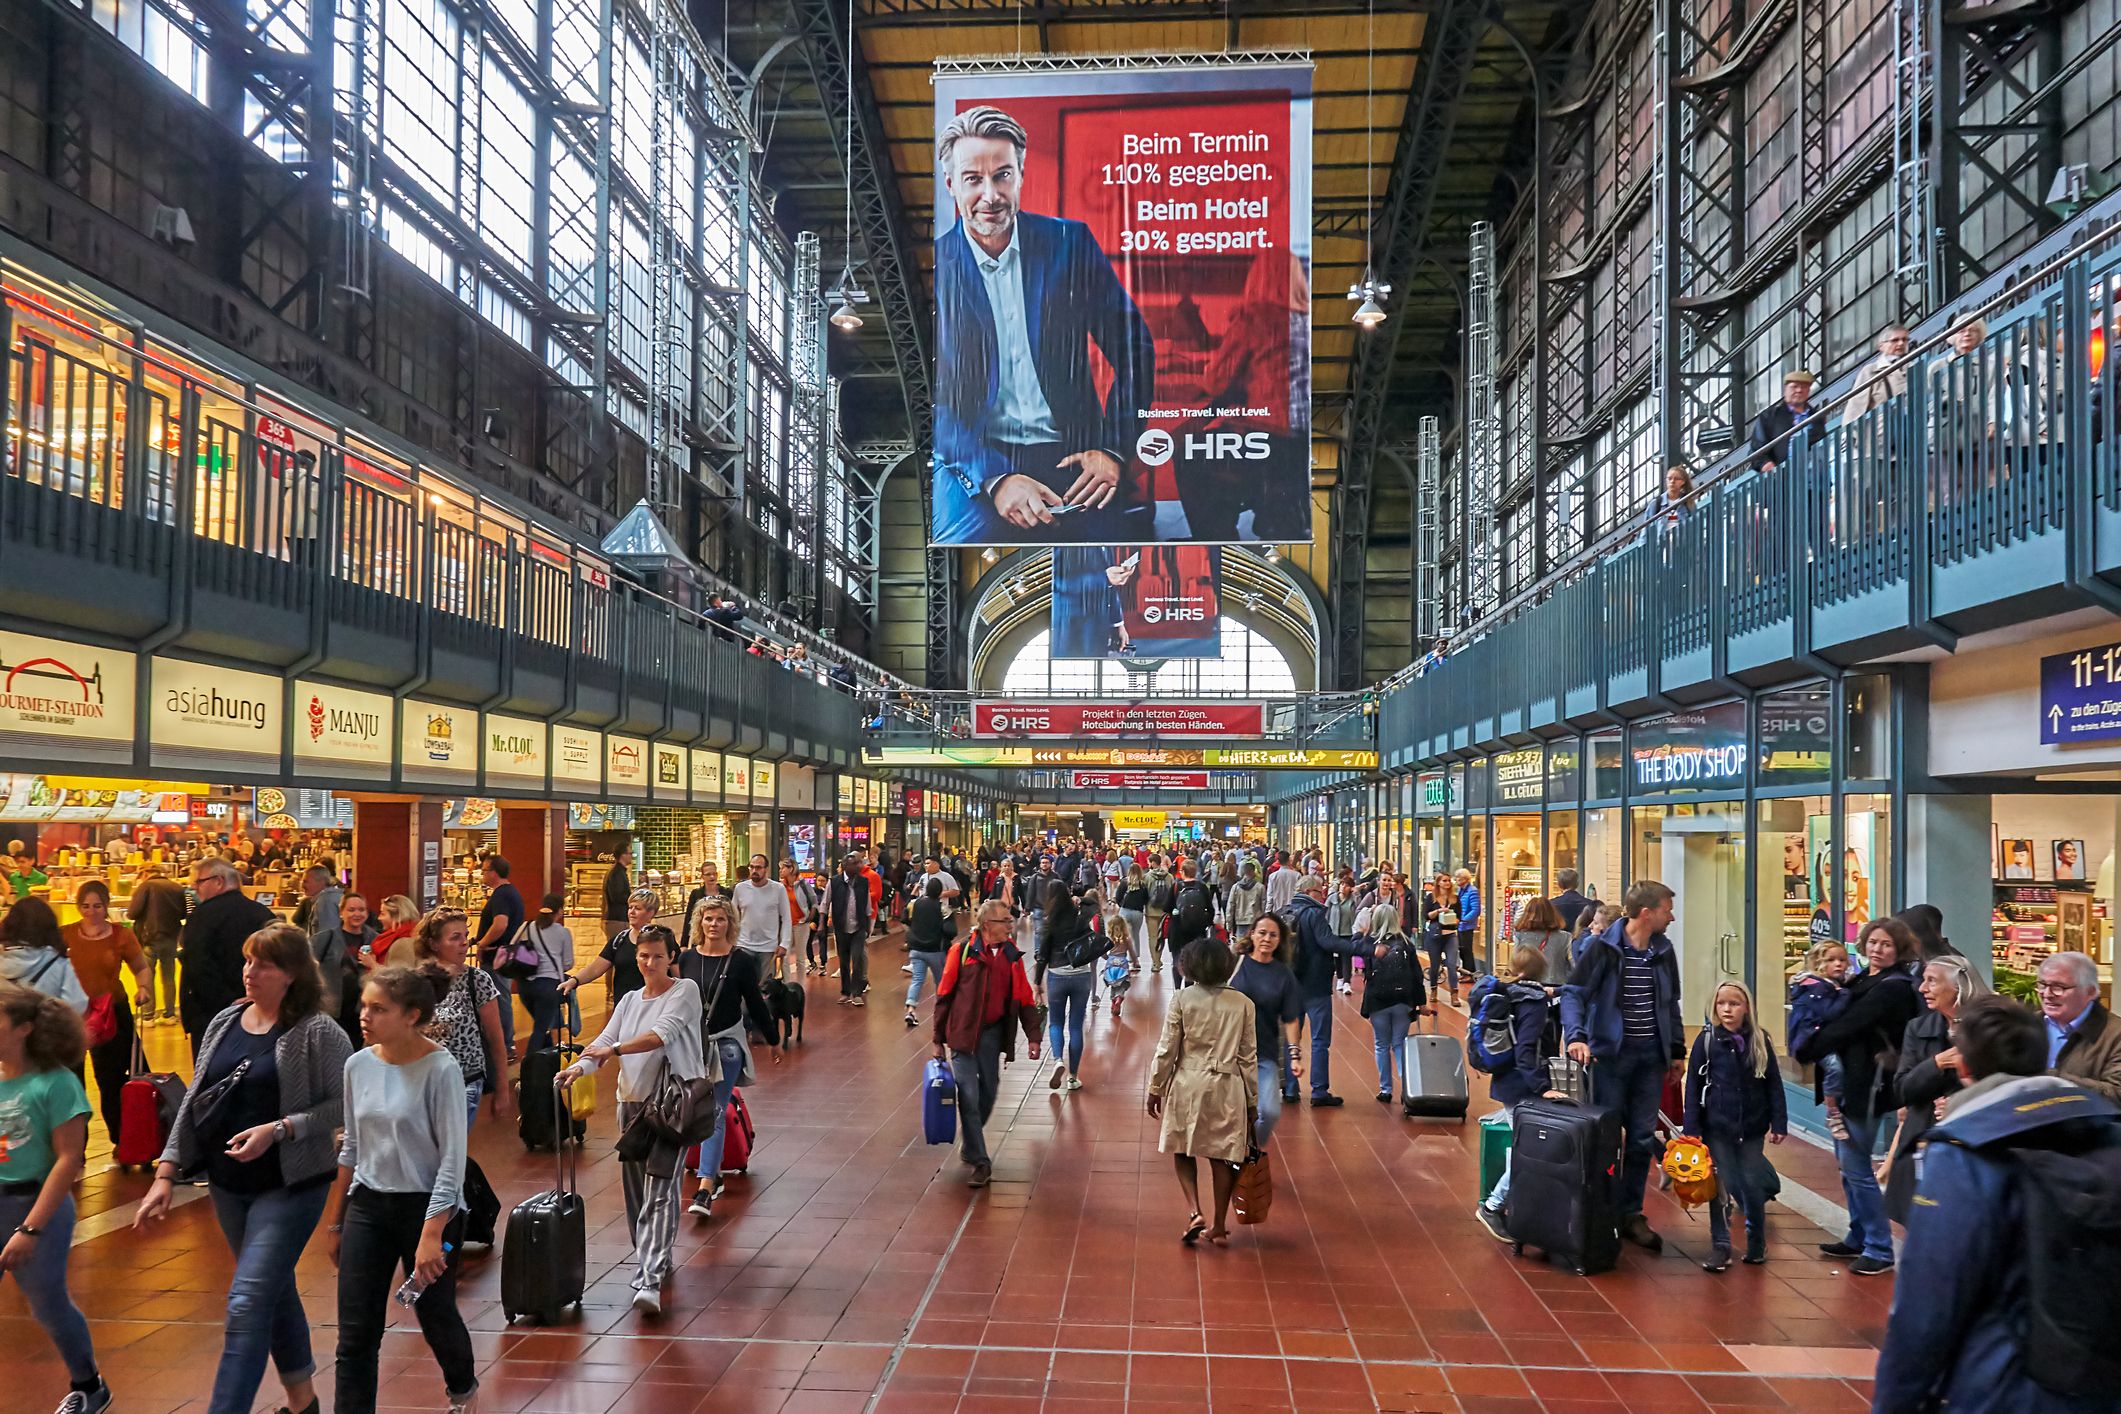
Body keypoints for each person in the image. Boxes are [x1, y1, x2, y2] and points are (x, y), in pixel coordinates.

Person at [133, 923, 349, 1414]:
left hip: (290, 1185)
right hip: (228, 1183)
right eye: (248, 961)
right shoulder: (226, 1020)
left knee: (248, 1299)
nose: (250, 972)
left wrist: (282, 1128)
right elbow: (195, 1099)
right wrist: (166, 1172)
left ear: (292, 974)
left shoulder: (317, 1032)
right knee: (272, 1289)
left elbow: (346, 1103)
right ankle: (303, 1403)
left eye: (264, 965)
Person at [1871, 995, 2121, 1414]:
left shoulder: (1966, 1150)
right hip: (2100, 1380)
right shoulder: (2106, 1128)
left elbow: (1928, 1302)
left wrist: (1895, 1402)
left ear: (1963, 1068)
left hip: (2003, 1383)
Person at [323, 963, 477, 1413]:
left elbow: (452, 1161)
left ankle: (462, 1388)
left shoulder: (440, 1069)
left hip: (429, 1207)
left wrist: (431, 1234)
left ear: (411, 1016)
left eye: (379, 1009)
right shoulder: (358, 1065)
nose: (364, 1016)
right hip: (369, 1206)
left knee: (434, 1313)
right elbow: (351, 1148)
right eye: (364, 1006)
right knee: (355, 1335)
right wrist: (335, 1222)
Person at [562, 927, 702, 1314]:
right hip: (632, 1104)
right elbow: (602, 1041)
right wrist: (578, 1067)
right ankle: (654, 1256)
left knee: (660, 1189)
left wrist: (614, 1050)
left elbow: (660, 1035)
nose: (649, 963)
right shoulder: (628, 1000)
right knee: (638, 1193)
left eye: (657, 955)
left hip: (672, 1105)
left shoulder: (685, 991)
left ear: (671, 957)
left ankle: (649, 1278)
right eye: (643, 956)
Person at [1560, 879, 1686, 1253]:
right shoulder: (1603, 948)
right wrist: (1576, 1036)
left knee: (1643, 1139)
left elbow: (1670, 1004)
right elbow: (1573, 994)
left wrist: (1676, 1051)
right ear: (1646, 913)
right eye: (1667, 910)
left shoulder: (1663, 951)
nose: (1672, 917)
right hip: (1611, 1058)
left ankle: (1630, 1213)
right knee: (1607, 1138)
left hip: (1650, 1060)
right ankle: (1601, 1210)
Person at [1791, 916, 1922, 1276]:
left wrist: (1806, 1046)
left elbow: (1849, 1025)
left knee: (1857, 1167)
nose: (1877, 949)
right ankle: (1859, 1234)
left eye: (1886, 944)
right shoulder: (1864, 978)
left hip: (1867, 1086)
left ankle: (1879, 1247)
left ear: (1899, 949)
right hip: (1850, 1084)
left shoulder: (1892, 987)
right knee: (1847, 1166)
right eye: (1873, 942)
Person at [0, 979, 108, 1414]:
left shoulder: (56, 1083)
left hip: (37, 1206)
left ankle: (88, 1385)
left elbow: (67, 1160)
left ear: (24, 1028)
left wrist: (30, 1229)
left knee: (47, 1303)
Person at [1147, 938, 1258, 1246]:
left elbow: (1167, 1048)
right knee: (1221, 1155)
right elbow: (1248, 1057)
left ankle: (1195, 1211)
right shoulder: (1243, 1004)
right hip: (1228, 1086)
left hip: (1188, 1082)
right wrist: (1252, 1101)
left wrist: (1156, 1087)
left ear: (1189, 966)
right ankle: (1219, 1225)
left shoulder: (1182, 999)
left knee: (1183, 1147)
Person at [672, 905, 777, 1220]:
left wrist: (773, 1039)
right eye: (708, 918)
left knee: (715, 1110)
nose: (714, 924)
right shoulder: (688, 959)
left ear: (730, 923)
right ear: (699, 922)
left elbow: (755, 1002)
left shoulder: (741, 961)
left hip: (727, 1044)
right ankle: (711, 1171)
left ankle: (705, 1185)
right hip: (693, 1045)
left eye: (720, 919)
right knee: (690, 1108)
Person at [930, 900, 1041, 1188]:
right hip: (962, 1034)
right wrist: (937, 1039)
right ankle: (981, 1161)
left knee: (989, 1091)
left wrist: (1033, 1036)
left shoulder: (1011, 955)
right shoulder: (962, 951)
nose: (1011, 925)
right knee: (968, 1095)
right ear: (988, 925)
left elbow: (1024, 996)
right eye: (1006, 920)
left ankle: (970, 1142)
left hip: (992, 1034)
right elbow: (944, 994)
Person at [1681, 981, 1788, 1271]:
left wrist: (1779, 1121)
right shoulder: (1707, 1041)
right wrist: (1691, 1127)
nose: (1727, 1009)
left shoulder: (1760, 1040)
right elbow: (1693, 1086)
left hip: (1752, 1126)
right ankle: (1721, 1245)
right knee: (1719, 1185)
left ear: (1747, 1008)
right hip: (1717, 1126)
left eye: (1734, 1003)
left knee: (1751, 1183)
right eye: (1721, 1003)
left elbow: (1773, 1083)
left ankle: (1756, 1240)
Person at [1883, 954, 1989, 1222]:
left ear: (1959, 987)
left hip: (1974, 1143)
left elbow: (2005, 1082)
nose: (1922, 988)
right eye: (1923, 980)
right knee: (1920, 1221)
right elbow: (1902, 1089)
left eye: (1932, 981)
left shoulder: (1990, 1028)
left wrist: (1959, 1101)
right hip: (1922, 1141)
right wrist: (1937, 1063)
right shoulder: (1918, 1028)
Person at [1472, 946, 1560, 1243]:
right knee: (1530, 1149)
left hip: (1507, 1081)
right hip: (1523, 1085)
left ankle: (1509, 1204)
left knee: (1523, 1144)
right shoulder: (1533, 1002)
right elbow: (1526, 1050)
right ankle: (1493, 1205)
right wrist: (1543, 1087)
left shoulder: (1511, 992)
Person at [58, 881, 147, 1144]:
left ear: (106, 906)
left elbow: (141, 966)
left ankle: (122, 1140)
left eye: (97, 906)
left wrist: (144, 988)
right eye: (85, 906)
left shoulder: (121, 935)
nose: (91, 912)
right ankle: (75, 1145)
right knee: (71, 1081)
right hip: (72, 1015)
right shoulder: (65, 935)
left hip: (112, 1013)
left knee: (112, 1080)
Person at [410, 909, 515, 1131]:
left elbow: (496, 1038)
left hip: (465, 1079)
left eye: (465, 936)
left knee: (448, 1142)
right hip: (422, 1080)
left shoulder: (477, 980)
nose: (464, 943)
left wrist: (502, 1088)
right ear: (434, 944)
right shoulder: (417, 982)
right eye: (455, 937)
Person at [1283, 874, 1369, 1108]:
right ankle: (1319, 1090)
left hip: (1291, 985)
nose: (1323, 895)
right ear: (1309, 892)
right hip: (1316, 985)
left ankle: (1290, 1088)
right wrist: (1363, 947)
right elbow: (1329, 942)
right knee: (1320, 1040)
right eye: (1319, 891)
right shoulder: (1314, 914)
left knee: (1291, 1039)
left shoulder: (1285, 912)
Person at [181, 859, 277, 1058]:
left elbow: (197, 966)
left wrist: (229, 1002)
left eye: (199, 882)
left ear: (218, 881)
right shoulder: (262, 913)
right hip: (261, 1012)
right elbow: (279, 961)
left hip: (211, 1014)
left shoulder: (201, 916)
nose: (194, 888)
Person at [1228, 914, 1302, 1145]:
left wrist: (1295, 1055)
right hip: (1228, 1052)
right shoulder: (1234, 962)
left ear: (1280, 940)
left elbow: (1291, 1018)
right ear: (1252, 934)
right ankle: (1231, 1153)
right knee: (1230, 1112)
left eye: (1273, 935)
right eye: (1262, 933)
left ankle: (1251, 1149)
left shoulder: (1283, 974)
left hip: (1263, 1053)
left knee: (1269, 1111)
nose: (1267, 939)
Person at [1034, 879, 1105, 1093]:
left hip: (1057, 975)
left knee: (1056, 1022)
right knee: (1075, 1026)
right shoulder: (1080, 915)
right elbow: (1094, 903)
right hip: (1081, 975)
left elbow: (1042, 955)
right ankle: (1073, 1077)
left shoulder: (1050, 922)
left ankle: (1058, 1060)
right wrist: (1080, 899)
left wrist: (1037, 982)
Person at [1359, 904, 1431, 1106]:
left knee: (1381, 1044)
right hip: (1403, 1000)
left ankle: (1385, 1089)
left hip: (1378, 1000)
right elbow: (1417, 976)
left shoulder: (1370, 943)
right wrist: (1421, 1003)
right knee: (1400, 1043)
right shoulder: (1407, 943)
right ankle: (1408, 1089)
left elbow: (1366, 969)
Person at [1788, 939, 1854, 1139]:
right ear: (1818, 963)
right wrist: (1844, 994)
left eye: (1842, 960)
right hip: (1811, 1039)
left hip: (1817, 1036)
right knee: (1835, 1068)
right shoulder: (1818, 988)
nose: (1838, 964)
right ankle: (1832, 1112)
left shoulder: (1828, 985)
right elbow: (1829, 1013)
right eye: (1831, 960)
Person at [2040, 949, 2121, 1103]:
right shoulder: (2026, 1025)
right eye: (2043, 985)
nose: (2047, 994)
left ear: (2090, 992)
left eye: (2059, 987)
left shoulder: (2115, 1035)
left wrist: (2052, 1079)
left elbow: (2117, 1094)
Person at [562, 888, 658, 1012]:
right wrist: (574, 981)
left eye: (638, 908)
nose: (632, 912)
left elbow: (676, 975)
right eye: (630, 907)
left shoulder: (662, 941)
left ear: (651, 913)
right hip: (624, 1009)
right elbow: (595, 968)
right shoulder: (619, 940)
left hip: (653, 1008)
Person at [470, 857, 524, 1058]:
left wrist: (483, 943)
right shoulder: (510, 892)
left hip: (497, 956)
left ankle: (505, 1045)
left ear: (494, 872)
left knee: (498, 999)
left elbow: (500, 924)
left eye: (484, 870)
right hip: (506, 953)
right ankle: (503, 1044)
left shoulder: (502, 895)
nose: (482, 874)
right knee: (500, 997)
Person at [312, 891, 378, 1047]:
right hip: (332, 1010)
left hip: (362, 1010)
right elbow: (308, 969)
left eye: (361, 910)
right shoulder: (325, 938)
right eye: (351, 910)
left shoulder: (375, 939)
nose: (357, 914)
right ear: (341, 912)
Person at [513, 892, 575, 1050]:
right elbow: (568, 963)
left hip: (524, 984)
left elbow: (512, 947)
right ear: (559, 910)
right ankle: (530, 1062)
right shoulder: (563, 932)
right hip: (548, 985)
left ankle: (545, 1056)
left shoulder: (526, 926)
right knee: (540, 1029)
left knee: (542, 1024)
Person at [128, 865, 188, 1025]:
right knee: (169, 978)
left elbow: (132, 913)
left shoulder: (146, 886)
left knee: (147, 977)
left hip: (150, 937)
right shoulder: (176, 887)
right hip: (171, 937)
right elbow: (183, 913)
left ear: (145, 873)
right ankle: (169, 1014)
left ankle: (148, 1016)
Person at [820, 852, 873, 1004]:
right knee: (843, 961)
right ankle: (845, 991)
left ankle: (856, 992)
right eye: (855, 864)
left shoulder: (863, 882)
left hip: (858, 927)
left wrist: (868, 926)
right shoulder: (834, 882)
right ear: (845, 866)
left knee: (857, 959)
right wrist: (822, 923)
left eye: (859, 863)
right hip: (841, 927)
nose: (859, 866)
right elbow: (825, 903)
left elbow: (867, 905)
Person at [904, 877, 956, 1028]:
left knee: (917, 980)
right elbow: (951, 930)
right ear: (940, 892)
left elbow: (904, 917)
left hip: (916, 949)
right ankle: (941, 1012)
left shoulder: (915, 904)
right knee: (940, 981)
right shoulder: (943, 908)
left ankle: (911, 1010)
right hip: (935, 950)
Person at [731, 853, 790, 983]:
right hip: (744, 945)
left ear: (766, 869)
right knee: (744, 984)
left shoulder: (778, 889)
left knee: (765, 987)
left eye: (758, 867)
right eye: (751, 867)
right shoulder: (740, 888)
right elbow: (733, 916)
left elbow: (786, 918)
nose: (754, 871)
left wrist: (784, 944)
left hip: (768, 948)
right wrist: (732, 940)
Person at [1750, 368, 1816, 472]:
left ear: (1808, 391)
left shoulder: (1816, 416)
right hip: (1782, 476)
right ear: (1786, 389)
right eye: (1794, 386)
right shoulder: (1770, 416)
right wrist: (1766, 465)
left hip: (1814, 474)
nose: (1799, 390)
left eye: (1804, 387)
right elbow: (1757, 449)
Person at [1850, 323, 1911, 416]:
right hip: (1885, 422)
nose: (1901, 343)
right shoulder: (1870, 371)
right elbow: (1856, 406)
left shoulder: (1915, 363)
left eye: (1905, 339)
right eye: (1895, 340)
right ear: (1881, 346)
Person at [1511, 897, 1572, 985]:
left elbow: (1515, 963)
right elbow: (1572, 964)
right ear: (1552, 914)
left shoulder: (1520, 935)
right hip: (1556, 985)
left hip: (1528, 985)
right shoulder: (1565, 937)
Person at [678, 862, 731, 950]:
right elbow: (689, 918)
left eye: (714, 874)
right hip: (700, 938)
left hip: (722, 938)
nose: (712, 877)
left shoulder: (727, 893)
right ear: (702, 876)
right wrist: (684, 944)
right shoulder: (696, 894)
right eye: (708, 874)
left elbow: (732, 918)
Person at [1448, 868, 1482, 999]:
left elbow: (1475, 909)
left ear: (1466, 879)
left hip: (1467, 925)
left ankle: (1470, 973)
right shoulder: (1461, 891)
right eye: (1456, 878)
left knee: (1466, 949)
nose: (1457, 880)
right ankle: (1465, 972)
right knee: (1462, 949)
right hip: (1460, 925)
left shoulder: (1472, 891)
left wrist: (1464, 919)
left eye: (1459, 878)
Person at [780, 859, 818, 980]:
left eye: (783, 868)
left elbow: (814, 900)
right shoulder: (780, 886)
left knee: (800, 958)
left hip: (801, 923)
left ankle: (800, 984)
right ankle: (787, 983)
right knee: (784, 956)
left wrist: (809, 916)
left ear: (791, 869)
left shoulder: (802, 884)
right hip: (786, 924)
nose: (780, 870)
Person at [367, 896, 420, 968]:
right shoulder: (412, 933)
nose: (379, 918)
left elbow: (399, 972)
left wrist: (372, 964)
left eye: (382, 914)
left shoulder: (404, 940)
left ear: (396, 916)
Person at [1224, 857, 1266, 937]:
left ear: (1244, 871)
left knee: (1241, 942)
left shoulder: (1235, 887)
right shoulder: (1260, 887)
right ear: (1253, 871)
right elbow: (1263, 906)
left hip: (1240, 920)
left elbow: (1230, 906)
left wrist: (1229, 924)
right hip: (1255, 921)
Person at [1265, 850, 1300, 916]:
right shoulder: (1297, 875)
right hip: (1293, 909)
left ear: (1278, 861)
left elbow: (1270, 894)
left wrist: (1268, 910)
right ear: (1289, 860)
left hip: (1277, 909)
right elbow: (1299, 893)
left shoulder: (1273, 876)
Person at [602, 856, 632, 932]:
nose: (632, 856)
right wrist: (632, 897)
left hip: (618, 919)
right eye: (629, 853)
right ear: (623, 855)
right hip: (616, 920)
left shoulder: (619, 871)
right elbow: (617, 897)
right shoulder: (616, 873)